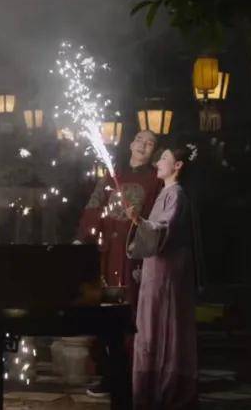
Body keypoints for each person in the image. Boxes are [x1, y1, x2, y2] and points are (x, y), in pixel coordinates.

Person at [75, 130, 162, 397]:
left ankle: (130, 375)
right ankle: (106, 374)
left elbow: (154, 220)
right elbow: (93, 207)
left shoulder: (155, 181)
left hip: (133, 254)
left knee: (130, 311)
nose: (143, 146)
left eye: (150, 143)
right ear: (131, 144)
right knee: (101, 307)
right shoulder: (113, 175)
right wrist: (84, 239)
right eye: (140, 140)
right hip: (106, 252)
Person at [126, 146, 198, 409]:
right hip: (156, 270)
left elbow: (163, 229)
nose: (158, 162)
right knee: (150, 326)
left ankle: (164, 390)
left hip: (167, 273)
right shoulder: (164, 193)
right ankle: (148, 391)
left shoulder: (176, 194)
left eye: (164, 158)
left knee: (162, 326)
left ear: (178, 166)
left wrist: (139, 222)